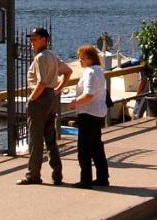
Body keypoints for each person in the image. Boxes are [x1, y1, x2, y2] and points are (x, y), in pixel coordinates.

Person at [18, 27, 71, 185]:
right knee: (50, 138)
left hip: (40, 98)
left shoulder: (41, 57)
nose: (31, 42)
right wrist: (57, 90)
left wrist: (31, 99)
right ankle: (57, 175)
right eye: (31, 39)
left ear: (44, 40)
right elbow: (67, 72)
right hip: (50, 98)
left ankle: (33, 175)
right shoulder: (52, 56)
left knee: (35, 139)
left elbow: (41, 82)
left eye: (34, 39)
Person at [68, 45, 110, 188]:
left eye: (82, 58)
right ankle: (102, 177)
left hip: (89, 113)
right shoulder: (99, 70)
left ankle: (85, 180)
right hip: (98, 112)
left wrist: (74, 103)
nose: (80, 60)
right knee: (96, 146)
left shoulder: (90, 73)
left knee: (84, 149)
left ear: (89, 58)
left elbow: (88, 95)